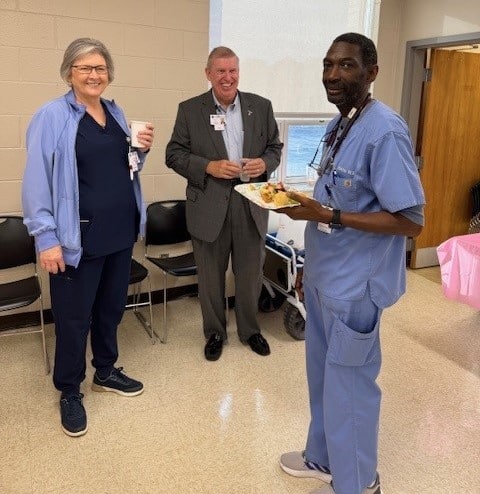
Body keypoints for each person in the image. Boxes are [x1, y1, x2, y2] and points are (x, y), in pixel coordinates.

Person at [278, 33, 425, 494]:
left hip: (355, 287)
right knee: (322, 376)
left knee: (351, 387)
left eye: (345, 66)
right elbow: (330, 194)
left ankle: (359, 481)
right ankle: (322, 458)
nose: (332, 75)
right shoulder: (340, 123)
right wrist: (305, 264)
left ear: (372, 72)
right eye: (328, 65)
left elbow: (410, 221)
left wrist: (330, 215)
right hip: (325, 277)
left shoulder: (384, 131)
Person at [22, 38, 154, 437]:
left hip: (118, 234)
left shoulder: (115, 112)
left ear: (109, 74)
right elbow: (36, 182)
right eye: (85, 68)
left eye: (100, 68)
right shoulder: (51, 116)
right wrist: (46, 238)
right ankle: (69, 390)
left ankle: (106, 371)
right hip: (75, 239)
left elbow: (125, 165)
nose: (94, 75)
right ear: (69, 73)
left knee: (112, 310)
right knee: (73, 319)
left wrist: (141, 151)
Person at [165, 46, 283, 361]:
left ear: (238, 72)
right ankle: (215, 332)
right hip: (208, 205)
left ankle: (250, 330)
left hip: (250, 204)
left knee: (249, 275)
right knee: (210, 278)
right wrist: (209, 167)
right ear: (208, 74)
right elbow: (173, 154)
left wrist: (264, 163)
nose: (227, 78)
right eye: (220, 71)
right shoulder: (190, 110)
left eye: (232, 71)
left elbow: (275, 146)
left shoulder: (260, 106)